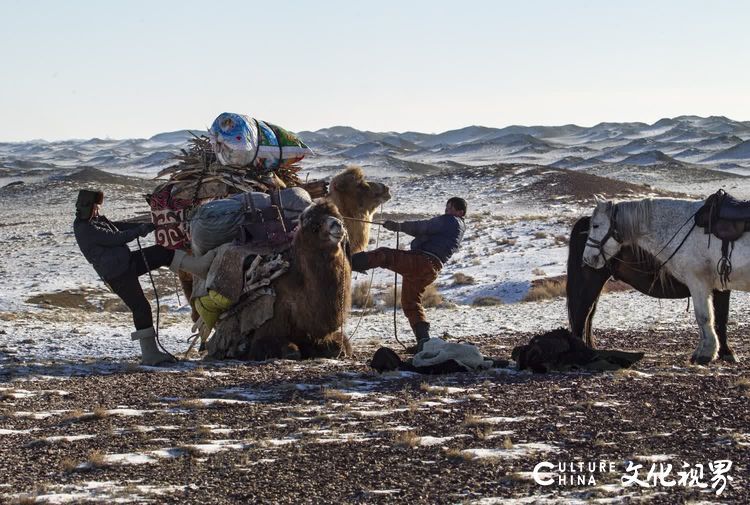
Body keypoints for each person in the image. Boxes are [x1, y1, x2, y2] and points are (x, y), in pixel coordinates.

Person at [73, 189, 216, 365]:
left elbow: (119, 227)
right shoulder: (85, 229)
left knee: (161, 252)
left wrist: (149, 224)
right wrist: (140, 230)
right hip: (117, 275)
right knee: (141, 308)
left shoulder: (94, 221)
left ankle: (198, 267)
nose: (98, 210)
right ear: (88, 207)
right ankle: (150, 354)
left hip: (126, 263)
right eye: (96, 207)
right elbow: (116, 238)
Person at [351, 197, 467, 352]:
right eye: (446, 209)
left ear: (460, 212)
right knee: (411, 303)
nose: (446, 212)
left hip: (422, 262)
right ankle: (424, 342)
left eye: (450, 209)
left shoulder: (451, 221)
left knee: (384, 255)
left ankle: (348, 261)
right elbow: (427, 232)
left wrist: (398, 226)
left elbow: (424, 226)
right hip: (431, 269)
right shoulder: (455, 227)